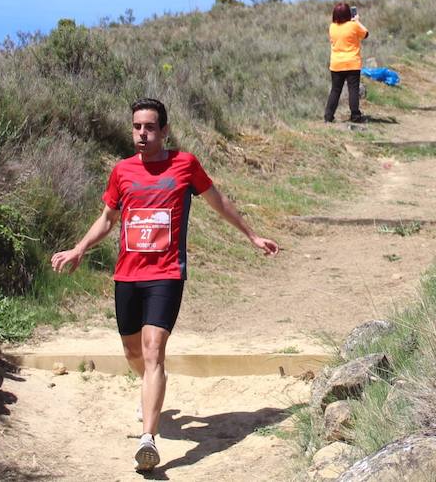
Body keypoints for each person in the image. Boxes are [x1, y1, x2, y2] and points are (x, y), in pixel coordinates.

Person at [50, 98, 279, 472]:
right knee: (133, 353)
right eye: (137, 127)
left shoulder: (184, 165)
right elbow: (108, 219)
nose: (143, 134)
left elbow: (218, 202)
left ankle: (148, 440)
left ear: (164, 131)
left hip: (166, 273)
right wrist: (78, 249)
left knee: (154, 349)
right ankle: (151, 387)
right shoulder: (122, 171)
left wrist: (251, 236)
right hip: (127, 275)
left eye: (150, 127)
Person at [324, 2, 369, 123]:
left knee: (335, 90)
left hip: (336, 63)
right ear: (348, 13)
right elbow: (365, 34)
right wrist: (357, 21)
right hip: (352, 62)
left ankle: (328, 116)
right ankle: (355, 115)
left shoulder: (332, 27)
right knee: (353, 89)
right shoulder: (353, 26)